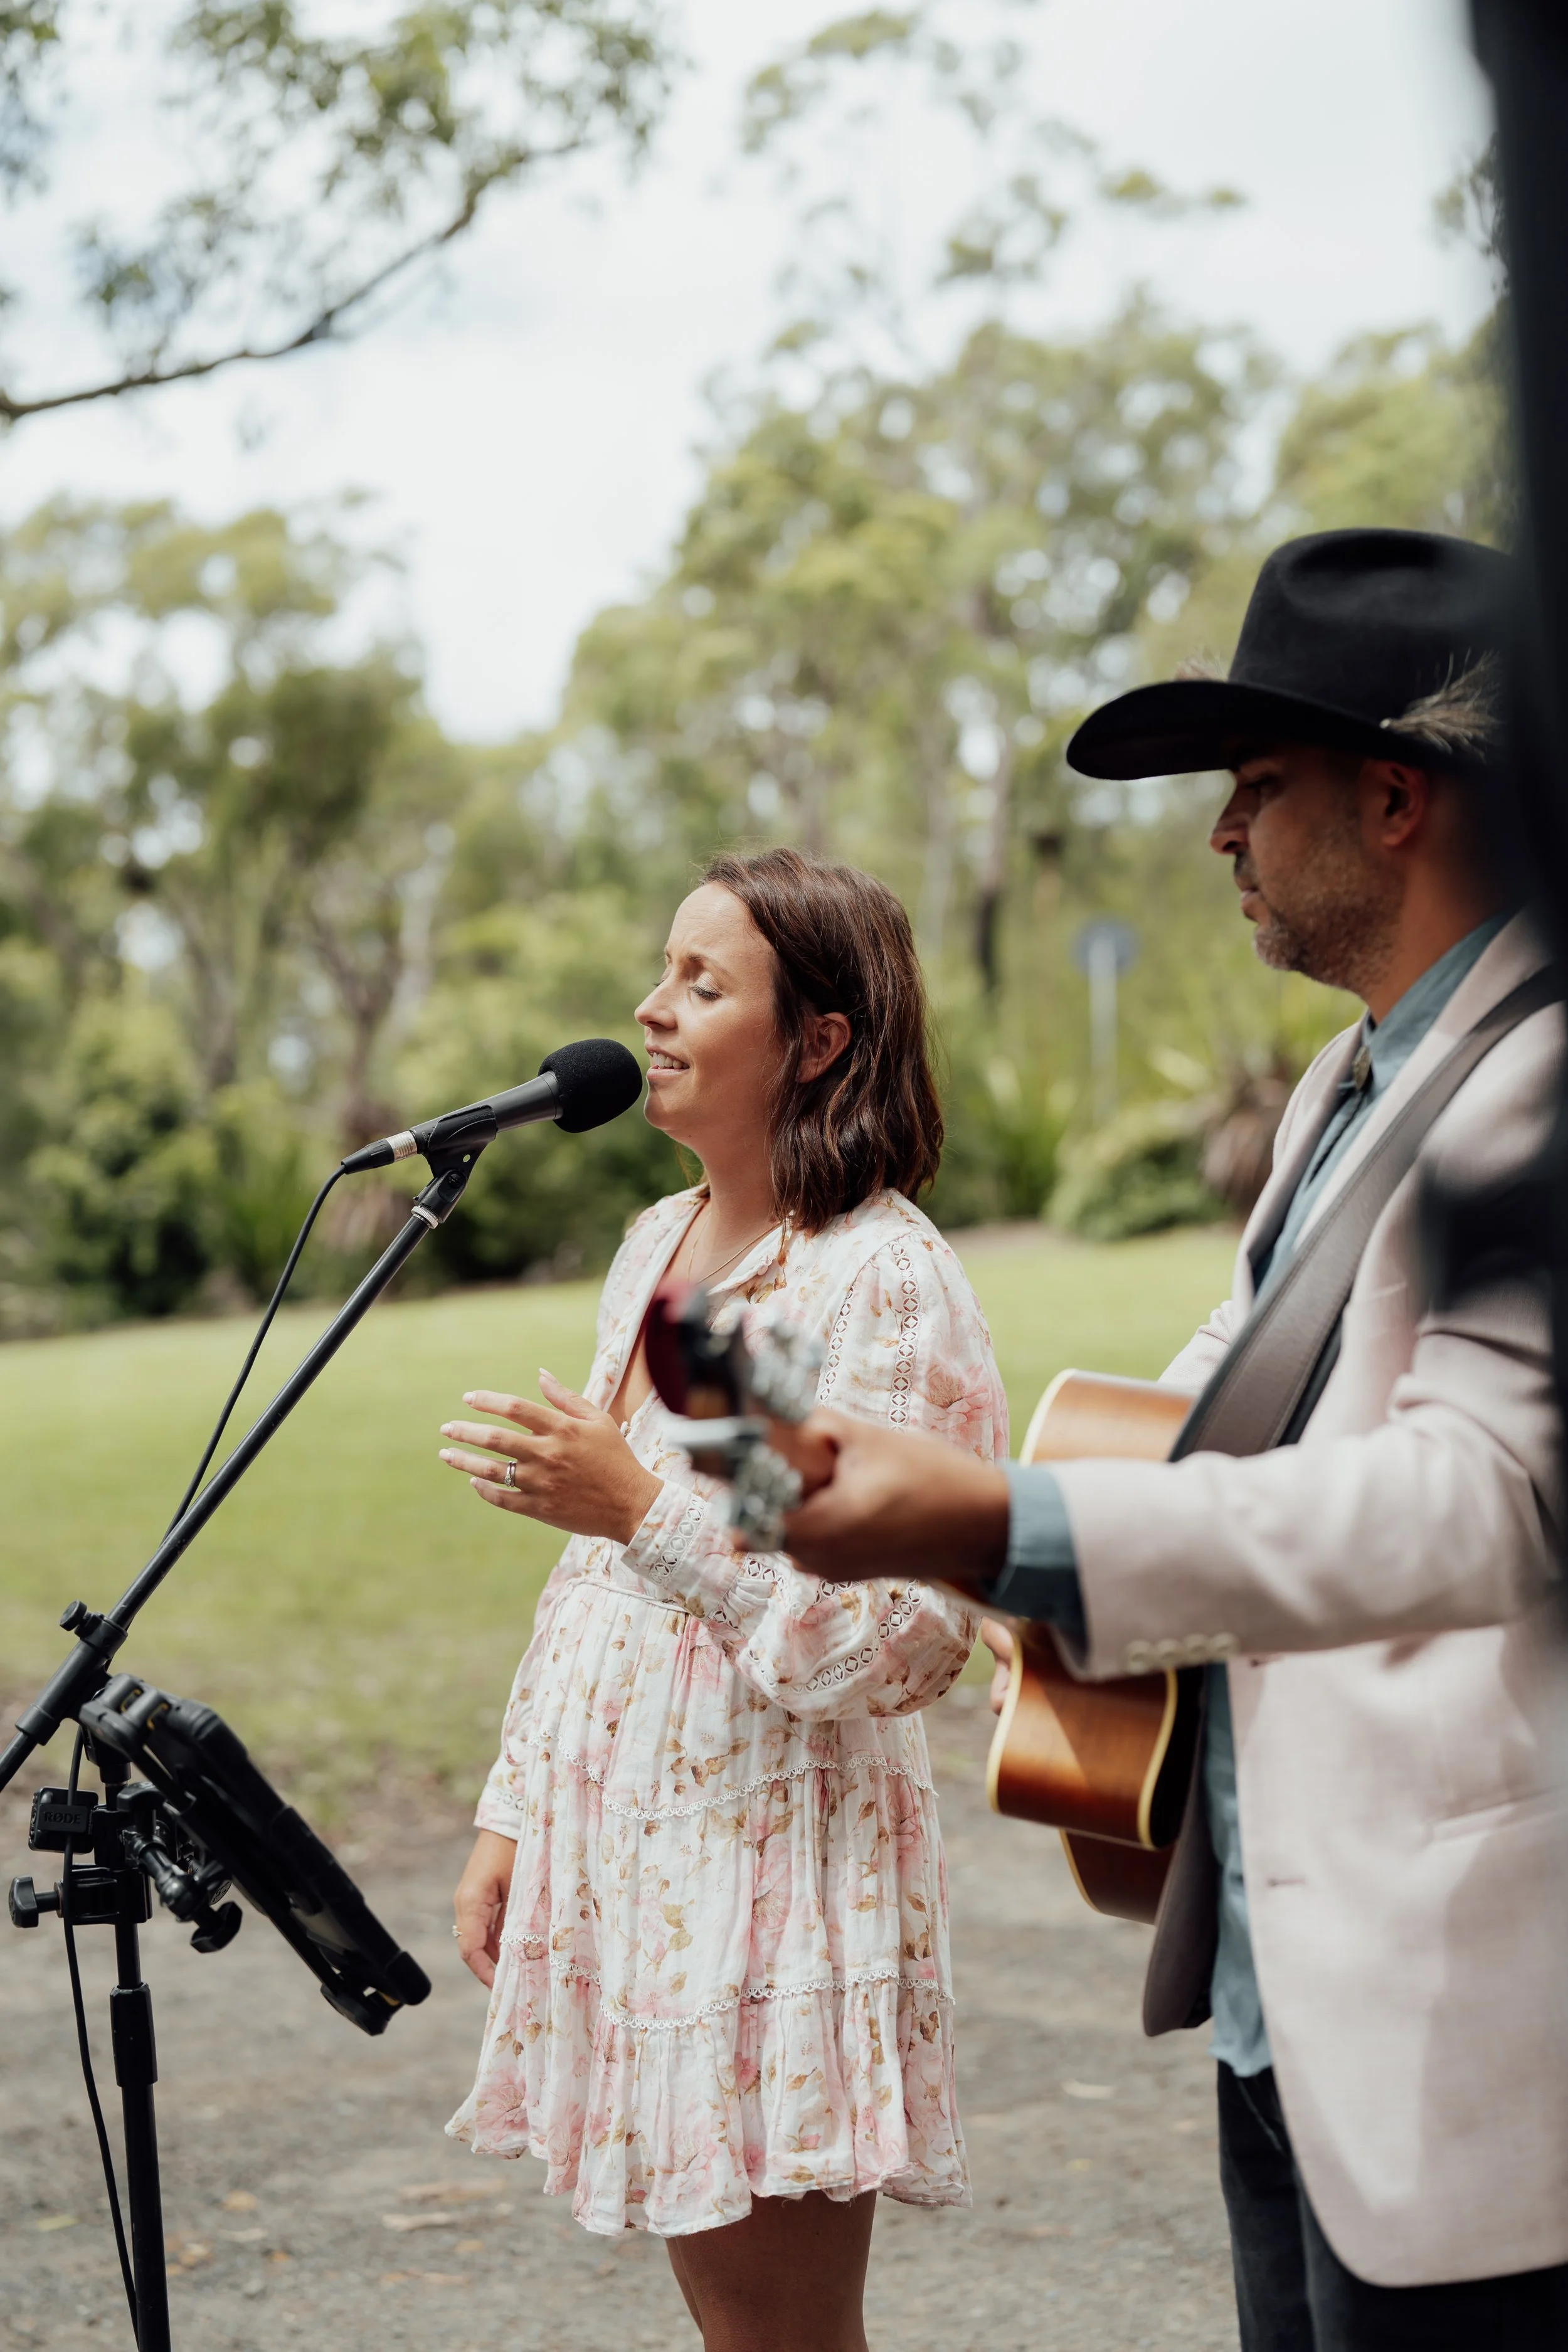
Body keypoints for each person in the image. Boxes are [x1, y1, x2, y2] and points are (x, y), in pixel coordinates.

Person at [777, 531, 1568, 2351]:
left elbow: (1482, 1494)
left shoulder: (1542, 1081)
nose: (1219, 833)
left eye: (1253, 783)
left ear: (1392, 796)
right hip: (1285, 1992)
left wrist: (1014, 1528)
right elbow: (1227, 1380)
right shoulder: (1350, 1075)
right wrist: (943, 1505)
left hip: (1466, 2003)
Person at [435, 846, 1007, 2352]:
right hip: (645, 1864)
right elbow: (631, 1576)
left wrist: (633, 1508)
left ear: (817, 1040)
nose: (651, 1008)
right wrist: (513, 1815)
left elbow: (889, 1638)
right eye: (662, 971)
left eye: (704, 982)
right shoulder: (668, 1251)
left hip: (777, 1889)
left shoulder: (872, 1286)